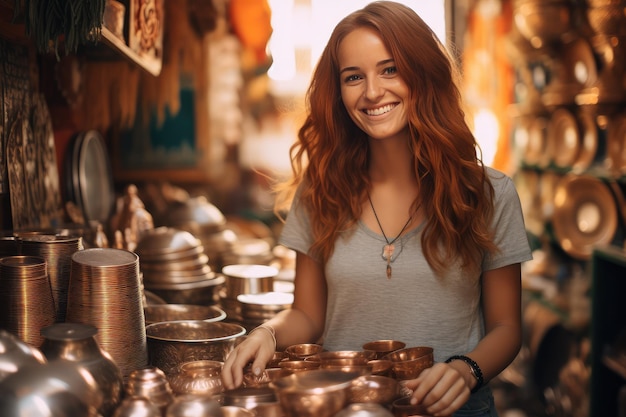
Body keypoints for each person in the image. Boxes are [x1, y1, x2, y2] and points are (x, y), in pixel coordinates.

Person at [221, 2, 532, 416]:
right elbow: (306, 314)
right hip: (346, 408)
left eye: (390, 70)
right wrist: (267, 334)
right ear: (339, 91)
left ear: (422, 72)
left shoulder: (489, 192)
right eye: (354, 77)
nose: (371, 92)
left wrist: (465, 371)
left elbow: (507, 328)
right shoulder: (320, 191)